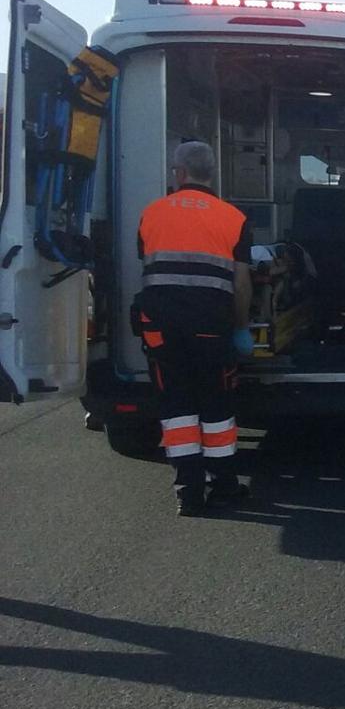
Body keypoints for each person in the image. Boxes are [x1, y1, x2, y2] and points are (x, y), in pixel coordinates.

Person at [135, 142, 254, 515]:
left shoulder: (151, 214)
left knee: (177, 408)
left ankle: (188, 490)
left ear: (180, 173)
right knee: (216, 406)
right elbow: (242, 284)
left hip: (162, 329)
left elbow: (148, 266)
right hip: (211, 328)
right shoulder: (233, 218)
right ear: (211, 173)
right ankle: (224, 485)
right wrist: (241, 326)